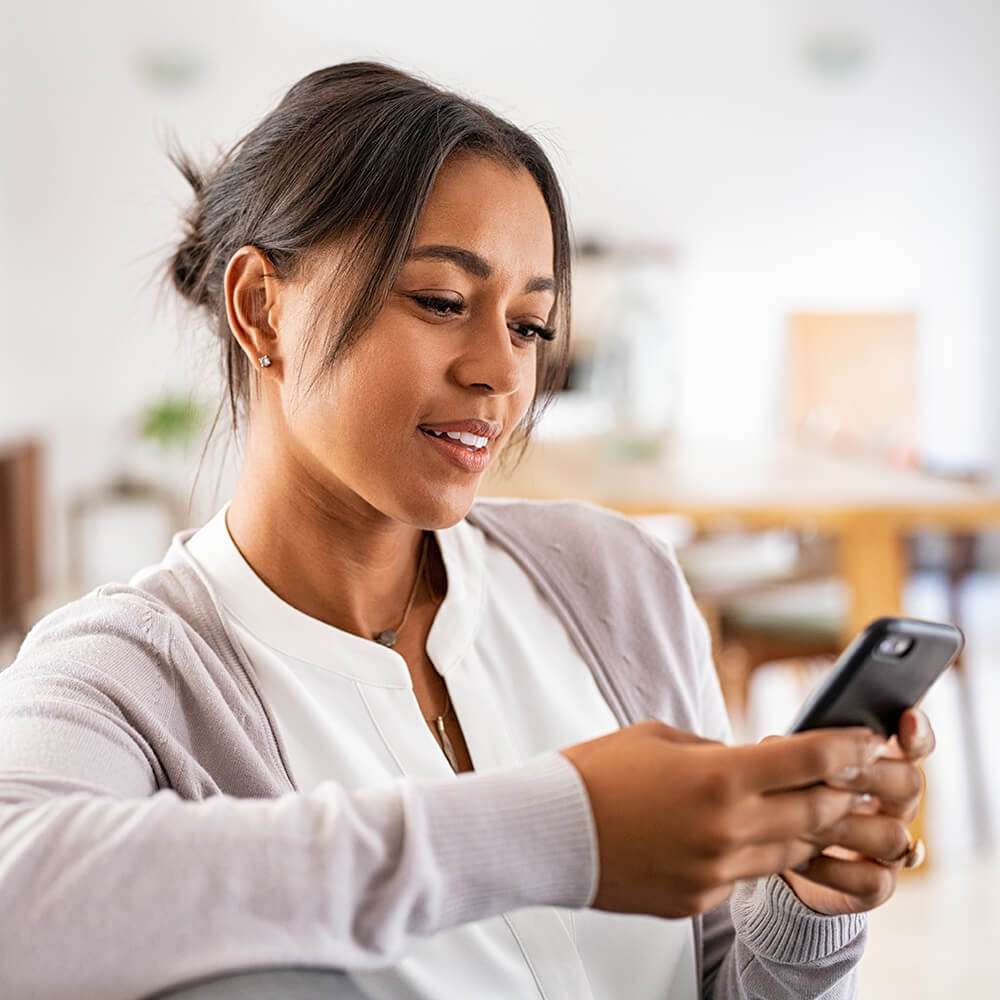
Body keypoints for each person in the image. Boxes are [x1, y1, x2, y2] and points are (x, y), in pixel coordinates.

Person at [0, 61, 935, 1000]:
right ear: (260, 308)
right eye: (443, 302)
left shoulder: (617, 582)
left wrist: (806, 910)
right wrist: (562, 831)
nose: (500, 372)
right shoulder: (128, 673)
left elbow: (723, 979)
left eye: (530, 324)